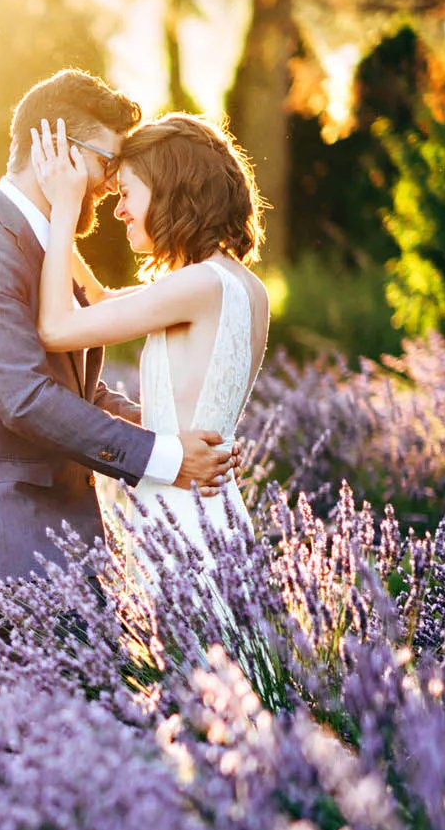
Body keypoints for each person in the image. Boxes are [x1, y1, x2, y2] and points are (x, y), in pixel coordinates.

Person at [0, 69, 236, 596]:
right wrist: (167, 460)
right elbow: (28, 400)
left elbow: (80, 389)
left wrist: (174, 435)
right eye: (107, 163)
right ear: (56, 149)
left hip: (61, 538)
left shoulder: (50, 247)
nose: (111, 186)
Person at [28, 111, 271, 591]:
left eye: (126, 194)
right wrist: (43, 205)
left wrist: (64, 208)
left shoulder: (197, 285)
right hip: (207, 508)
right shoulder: (240, 284)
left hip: (182, 515)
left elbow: (57, 328)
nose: (119, 211)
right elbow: (96, 299)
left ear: (170, 191)